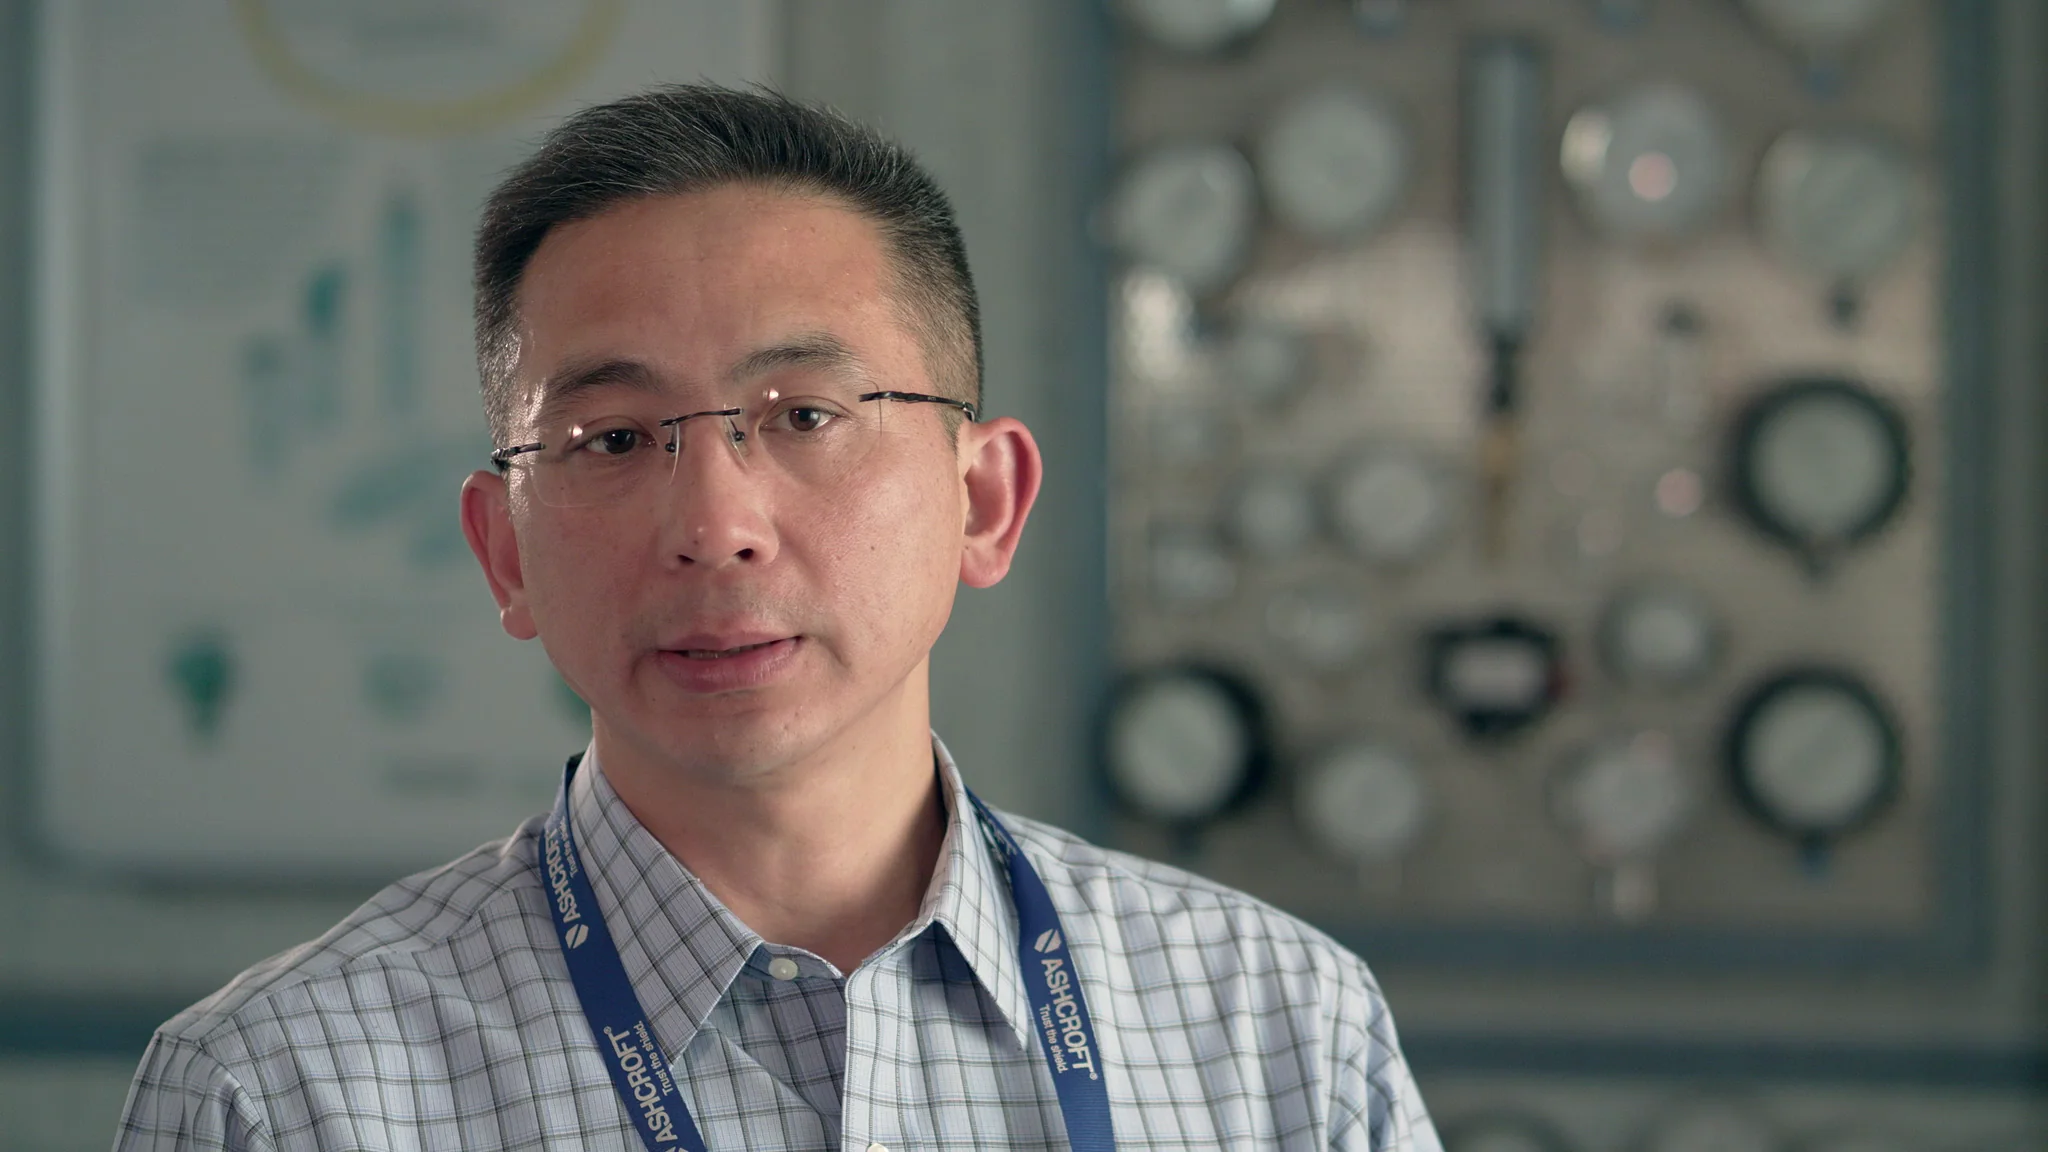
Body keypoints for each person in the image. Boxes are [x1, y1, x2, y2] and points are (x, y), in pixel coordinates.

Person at [115, 83, 1442, 1151]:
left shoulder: (1275, 1031)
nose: (714, 522)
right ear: (500, 551)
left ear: (984, 500)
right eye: (613, 436)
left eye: (806, 416)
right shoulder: (284, 1095)